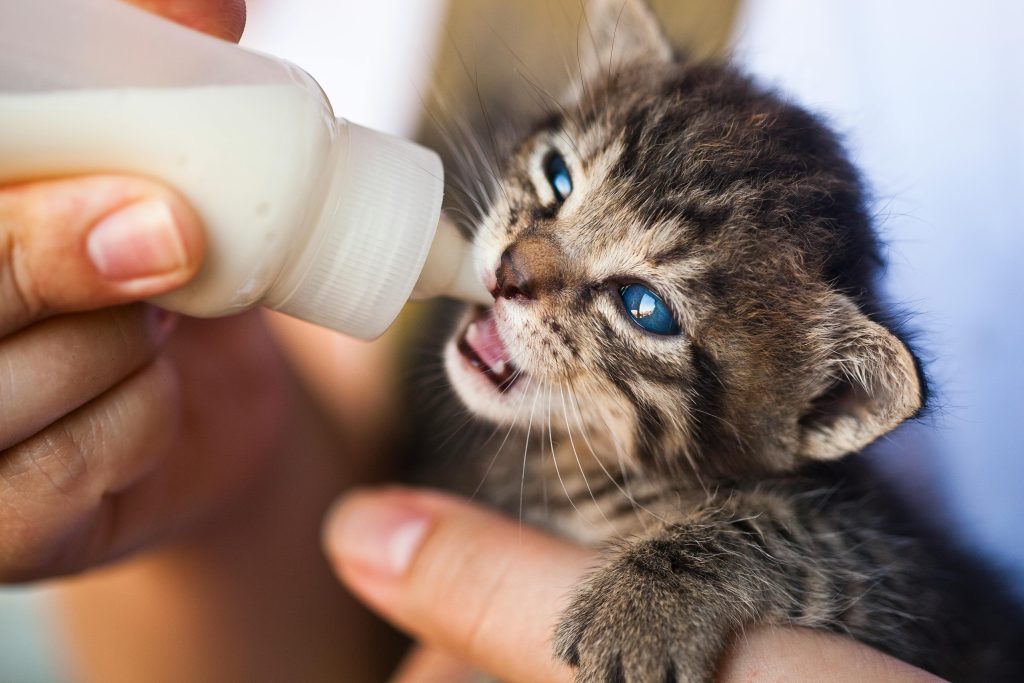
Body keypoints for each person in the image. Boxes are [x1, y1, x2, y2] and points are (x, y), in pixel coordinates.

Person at [0, 1, 943, 681]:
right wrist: (222, 500)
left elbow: (870, 572)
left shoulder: (770, 447)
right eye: (560, 178)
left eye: (643, 304)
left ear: (817, 404)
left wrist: (687, 574)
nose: (519, 267)